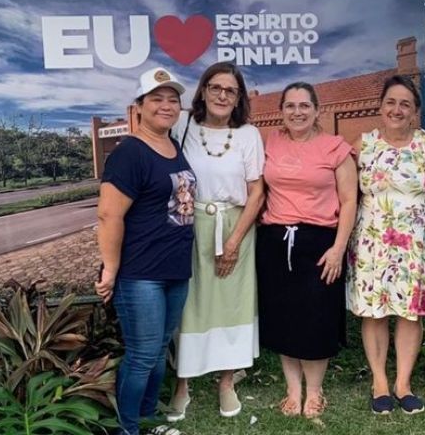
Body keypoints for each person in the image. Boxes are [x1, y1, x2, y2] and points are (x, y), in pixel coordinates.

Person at [95, 67, 194, 435]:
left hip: (174, 270)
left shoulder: (172, 145)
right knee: (141, 356)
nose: (166, 106)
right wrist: (110, 269)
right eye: (157, 99)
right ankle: (128, 429)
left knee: (157, 354)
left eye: (173, 100)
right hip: (141, 274)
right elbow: (108, 215)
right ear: (140, 107)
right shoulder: (129, 153)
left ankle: (149, 420)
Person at [346, 75, 425, 415]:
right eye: (391, 102)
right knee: (374, 313)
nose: (397, 109)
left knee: (410, 313)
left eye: (405, 103)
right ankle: (379, 382)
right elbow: (346, 193)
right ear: (380, 107)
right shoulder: (363, 145)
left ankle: (403, 383)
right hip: (373, 243)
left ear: (415, 110)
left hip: (418, 245)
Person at [168, 62, 265, 420]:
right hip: (191, 226)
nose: (223, 95)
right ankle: (183, 382)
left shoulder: (248, 135)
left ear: (238, 97)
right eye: (216, 87)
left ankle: (227, 382)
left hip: (236, 224)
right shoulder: (183, 126)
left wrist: (235, 242)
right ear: (203, 91)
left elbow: (257, 193)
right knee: (190, 304)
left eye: (231, 90)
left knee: (231, 303)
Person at [257, 82, 357, 418]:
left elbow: (349, 201)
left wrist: (338, 248)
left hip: (320, 243)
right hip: (275, 242)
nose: (297, 112)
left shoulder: (335, 148)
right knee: (284, 317)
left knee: (316, 318)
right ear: (281, 111)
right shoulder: (272, 142)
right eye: (290, 106)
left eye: (304, 106)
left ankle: (314, 392)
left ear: (317, 110)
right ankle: (292, 389)